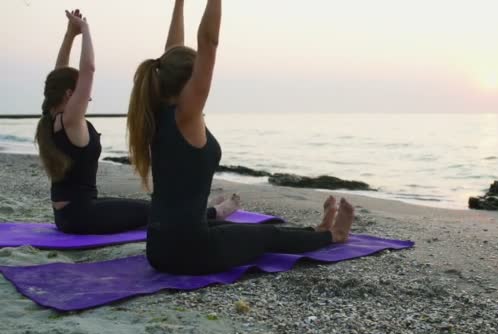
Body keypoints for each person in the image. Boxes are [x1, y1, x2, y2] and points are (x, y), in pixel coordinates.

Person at [127, 0, 355, 275]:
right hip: (189, 254)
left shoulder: (157, 110)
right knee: (265, 237)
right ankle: (333, 236)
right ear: (192, 81)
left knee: (237, 229)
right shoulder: (185, 116)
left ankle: (316, 231)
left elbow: (170, 56)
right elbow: (208, 42)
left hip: (160, 248)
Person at [35, 9, 238, 235]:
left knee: (145, 207)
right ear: (68, 95)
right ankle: (214, 213)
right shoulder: (72, 119)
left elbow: (59, 76)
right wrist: (85, 29)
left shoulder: (53, 119)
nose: (88, 97)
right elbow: (88, 70)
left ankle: (207, 207)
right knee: (156, 212)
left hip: (70, 214)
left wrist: (70, 35)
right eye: (82, 92)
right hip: (81, 217)